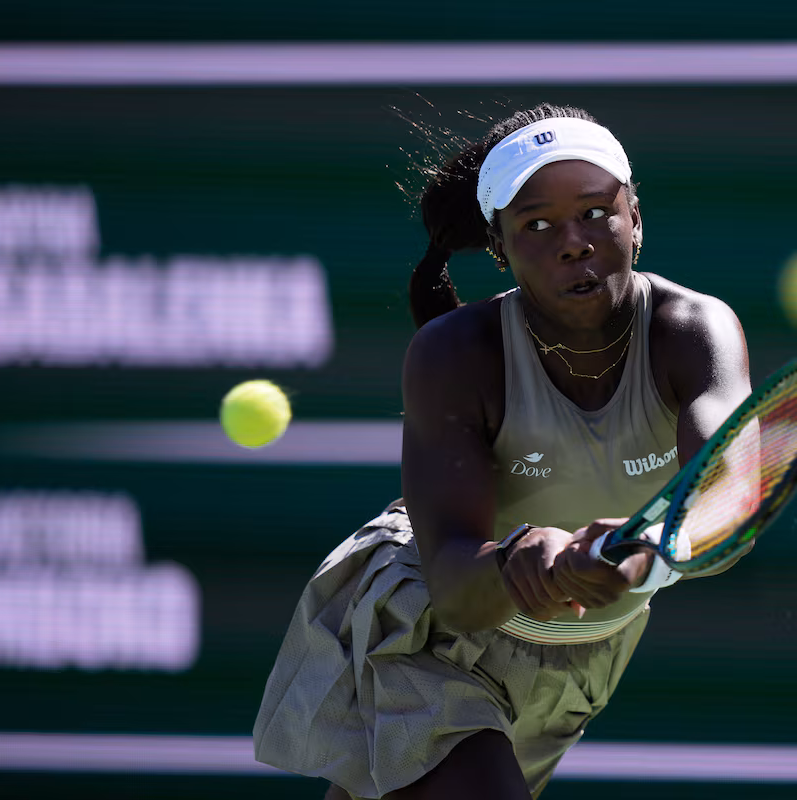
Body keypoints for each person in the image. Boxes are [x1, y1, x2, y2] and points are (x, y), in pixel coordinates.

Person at [252, 102, 752, 799]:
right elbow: (457, 590)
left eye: (596, 213)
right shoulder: (454, 353)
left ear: (635, 217)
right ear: (500, 248)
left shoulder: (694, 331)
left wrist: (645, 553)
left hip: (583, 657)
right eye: (537, 224)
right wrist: (519, 559)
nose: (573, 242)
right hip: (429, 629)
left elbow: (729, 498)